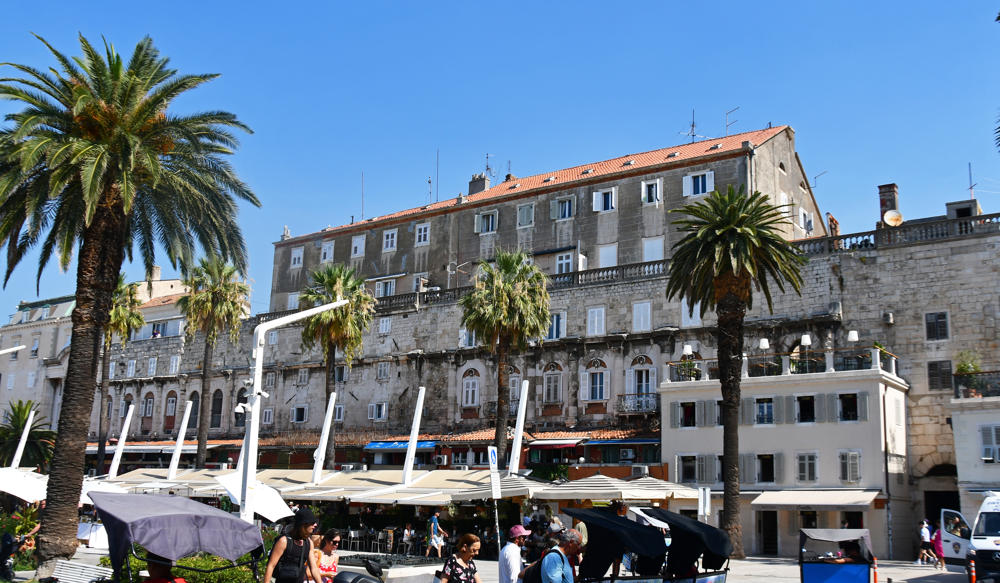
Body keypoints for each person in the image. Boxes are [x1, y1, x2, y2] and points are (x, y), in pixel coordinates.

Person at [264, 508, 324, 583]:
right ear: (303, 525)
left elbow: (313, 568)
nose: (315, 525)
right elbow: (271, 566)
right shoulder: (284, 541)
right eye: (312, 523)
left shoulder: (308, 543)